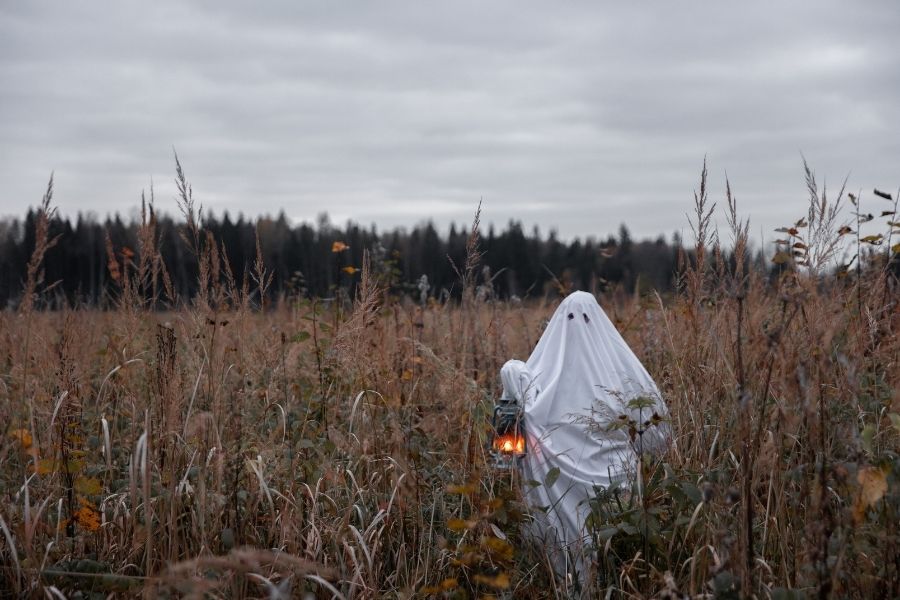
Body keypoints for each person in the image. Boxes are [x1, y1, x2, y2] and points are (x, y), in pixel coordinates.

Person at [499, 291, 671, 585]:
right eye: (571, 319)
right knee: (614, 556)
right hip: (616, 490)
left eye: (583, 319)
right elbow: (657, 437)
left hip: (576, 494)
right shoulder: (621, 377)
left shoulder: (538, 383)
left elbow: (512, 446)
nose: (577, 327)